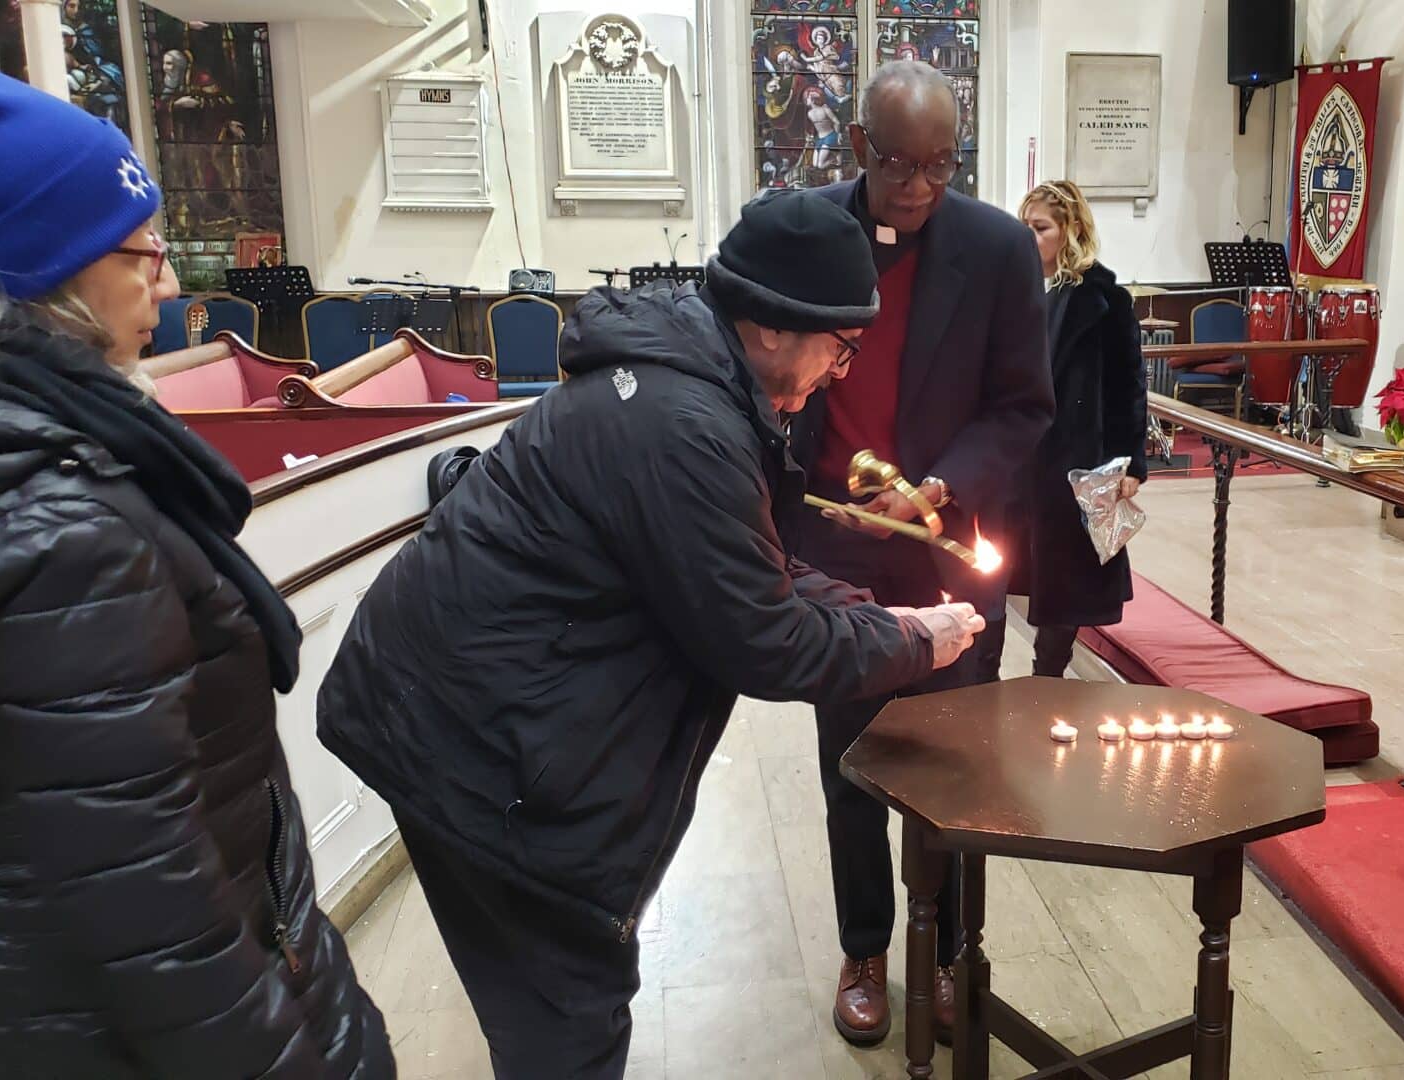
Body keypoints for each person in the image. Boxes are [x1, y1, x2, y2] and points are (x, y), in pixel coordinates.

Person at [317, 190, 987, 1080]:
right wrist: (916, 643)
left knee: (557, 1007)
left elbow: (757, 569)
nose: (844, 371)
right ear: (776, 326)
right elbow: (763, 639)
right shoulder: (685, 426)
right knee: (568, 1015)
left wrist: (880, 617)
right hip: (480, 751)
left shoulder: (690, 383)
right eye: (842, 345)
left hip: (461, 714)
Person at [0, 62, 392, 1077]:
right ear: (46, 274)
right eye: (143, 252)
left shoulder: (33, 464)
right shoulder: (64, 534)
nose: (167, 283)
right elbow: (153, 911)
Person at [785, 60, 1052, 1047]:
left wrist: (933, 487)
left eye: (942, 166)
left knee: (961, 771)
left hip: (948, 549)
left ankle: (951, 955)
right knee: (850, 764)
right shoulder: (808, 233)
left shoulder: (995, 249)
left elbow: (1023, 406)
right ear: (858, 147)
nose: (919, 189)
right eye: (900, 164)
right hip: (832, 555)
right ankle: (865, 946)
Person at [1002, 179, 1149, 678]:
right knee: (999, 569)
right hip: (1018, 458)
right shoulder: (1011, 290)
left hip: (1075, 457)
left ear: (1071, 230)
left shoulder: (1103, 297)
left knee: (1064, 580)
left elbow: (1128, 384)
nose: (1028, 238)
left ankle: (1049, 675)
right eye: (1023, 227)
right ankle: (981, 676)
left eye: (1039, 228)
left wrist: (1131, 462)